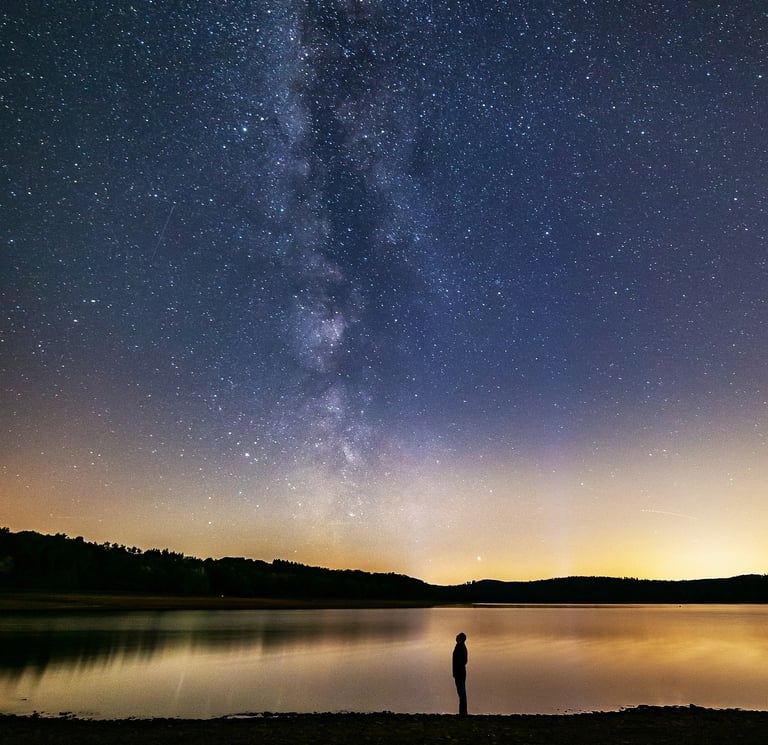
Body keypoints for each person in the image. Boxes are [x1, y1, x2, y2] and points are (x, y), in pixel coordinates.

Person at [452, 631, 468, 716]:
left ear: (460, 639)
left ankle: (463, 713)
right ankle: (462, 712)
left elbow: (464, 660)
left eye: (457, 636)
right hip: (459, 673)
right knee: (461, 693)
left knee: (461, 693)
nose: (456, 637)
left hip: (460, 673)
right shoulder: (459, 646)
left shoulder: (461, 647)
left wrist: (457, 669)